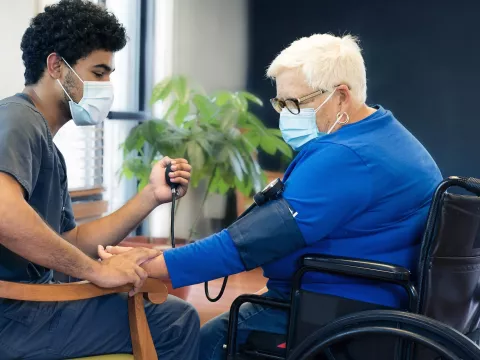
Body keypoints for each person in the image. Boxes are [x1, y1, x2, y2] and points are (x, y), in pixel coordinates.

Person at [101, 34, 443, 359]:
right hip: (363, 306)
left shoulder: (347, 157)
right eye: (280, 102)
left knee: (204, 341)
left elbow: (250, 243)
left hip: (334, 312)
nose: (285, 115)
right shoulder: (387, 136)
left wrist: (152, 266)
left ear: (341, 96)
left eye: (296, 102)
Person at [0, 1, 199, 359]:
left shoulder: (46, 144)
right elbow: (3, 213)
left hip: (26, 313)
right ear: (56, 66)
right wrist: (96, 271)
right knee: (175, 321)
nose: (107, 86)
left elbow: (69, 242)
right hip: (13, 317)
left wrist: (150, 196)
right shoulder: (18, 120)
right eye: (99, 72)